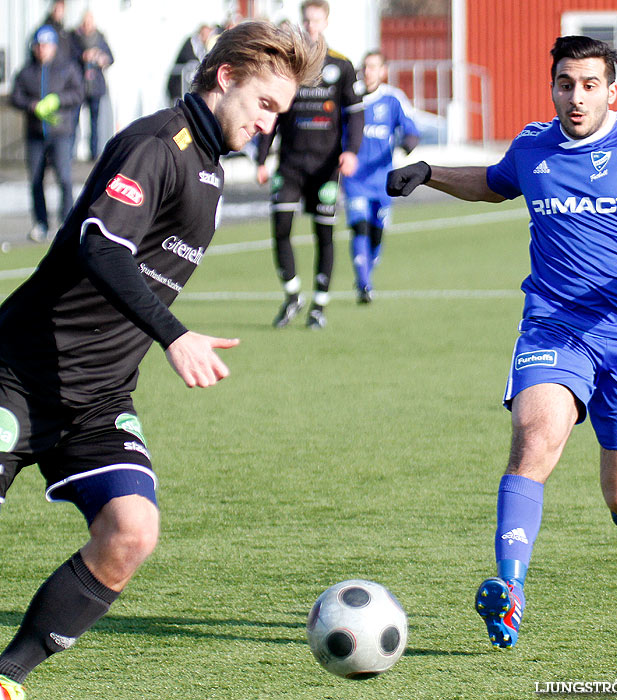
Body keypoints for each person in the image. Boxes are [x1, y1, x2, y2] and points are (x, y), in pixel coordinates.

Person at [0, 21, 323, 700]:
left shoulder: (209, 167)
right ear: (226, 77)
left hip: (96, 397)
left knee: (131, 531)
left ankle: (5, 678)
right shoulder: (159, 143)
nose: (269, 124)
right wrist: (174, 335)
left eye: (281, 114)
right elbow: (102, 244)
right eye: (265, 105)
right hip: (19, 374)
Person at [386, 35, 617, 649]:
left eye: (590, 85)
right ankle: (511, 590)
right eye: (565, 84)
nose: (576, 97)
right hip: (555, 326)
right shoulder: (533, 145)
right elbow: (497, 182)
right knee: (534, 439)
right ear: (552, 86)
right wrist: (430, 173)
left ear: (612, 89)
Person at [257, 0, 364, 329]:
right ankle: (292, 295)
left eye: (317, 20)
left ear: (326, 22)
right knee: (281, 228)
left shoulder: (341, 66)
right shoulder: (288, 64)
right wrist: (262, 158)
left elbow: (355, 114)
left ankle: (319, 303)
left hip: (325, 168)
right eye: (307, 19)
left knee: (323, 233)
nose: (311, 25)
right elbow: (272, 112)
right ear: (302, 22)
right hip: (290, 164)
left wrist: (352, 151)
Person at [342, 50, 419, 303]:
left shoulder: (393, 99)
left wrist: (408, 143)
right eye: (366, 67)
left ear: (383, 71)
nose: (369, 72)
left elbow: (410, 129)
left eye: (374, 67)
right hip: (355, 179)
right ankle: (364, 284)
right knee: (360, 227)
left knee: (377, 232)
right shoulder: (351, 98)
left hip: (384, 179)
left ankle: (366, 277)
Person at [11, 24, 84, 242]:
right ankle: (41, 223)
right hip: (35, 134)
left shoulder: (67, 68)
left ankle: (68, 222)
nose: (42, 49)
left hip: (61, 132)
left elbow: (78, 93)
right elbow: (16, 96)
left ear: (53, 46)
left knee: (64, 177)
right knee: (35, 180)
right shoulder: (26, 71)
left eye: (46, 45)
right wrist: (32, 105)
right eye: (39, 45)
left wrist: (58, 101)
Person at [71, 10, 114, 161]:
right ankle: (71, 153)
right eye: (85, 22)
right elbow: (70, 56)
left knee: (95, 122)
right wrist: (83, 56)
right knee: (74, 120)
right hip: (79, 86)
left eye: (90, 22)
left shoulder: (100, 38)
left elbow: (111, 58)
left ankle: (93, 153)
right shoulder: (74, 37)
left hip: (95, 86)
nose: (88, 25)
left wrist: (102, 58)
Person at [166, 24, 214, 103]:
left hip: (187, 86)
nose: (208, 36)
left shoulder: (203, 47)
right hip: (178, 84)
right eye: (207, 33)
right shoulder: (191, 42)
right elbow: (188, 58)